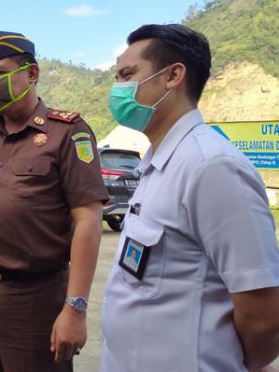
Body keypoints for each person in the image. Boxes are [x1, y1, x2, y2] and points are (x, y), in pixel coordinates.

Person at [100, 24, 279, 372]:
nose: (117, 89)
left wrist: (225, 361)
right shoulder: (158, 164)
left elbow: (264, 315)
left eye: (127, 75)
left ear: (173, 76)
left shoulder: (211, 167)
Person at [0, 30, 108, 371]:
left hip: (35, 296)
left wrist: (75, 307)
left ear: (32, 74)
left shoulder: (67, 132)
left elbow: (88, 219)